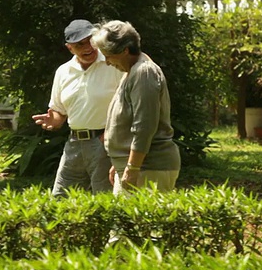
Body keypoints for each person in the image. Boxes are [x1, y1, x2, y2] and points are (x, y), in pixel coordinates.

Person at [32, 19, 124, 196]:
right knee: (61, 197)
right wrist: (54, 120)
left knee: (105, 199)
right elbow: (59, 111)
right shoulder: (63, 71)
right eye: (79, 44)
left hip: (104, 141)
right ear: (69, 48)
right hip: (74, 143)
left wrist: (111, 132)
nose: (87, 47)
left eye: (90, 40)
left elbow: (128, 102)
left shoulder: (113, 64)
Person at [90, 20, 180, 195]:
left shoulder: (143, 73)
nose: (107, 62)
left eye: (108, 56)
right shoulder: (131, 71)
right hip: (133, 166)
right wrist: (119, 163)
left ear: (124, 51)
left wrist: (132, 166)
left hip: (148, 167)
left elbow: (144, 126)